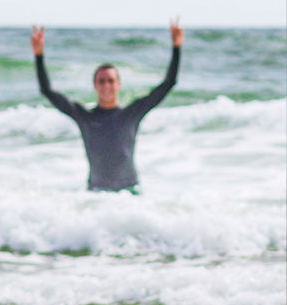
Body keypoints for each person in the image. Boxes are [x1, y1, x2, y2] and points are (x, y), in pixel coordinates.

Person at [31, 20, 183, 192]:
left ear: (119, 84)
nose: (106, 85)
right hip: (96, 195)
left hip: (130, 191)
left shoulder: (131, 113)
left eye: (111, 81)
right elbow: (47, 91)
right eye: (101, 81)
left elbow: (169, 83)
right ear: (94, 85)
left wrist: (177, 47)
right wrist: (39, 56)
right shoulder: (85, 116)